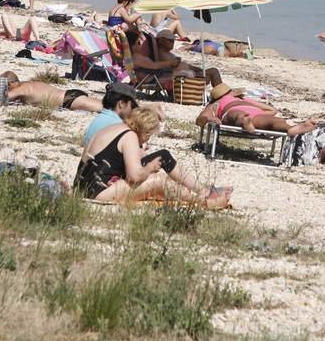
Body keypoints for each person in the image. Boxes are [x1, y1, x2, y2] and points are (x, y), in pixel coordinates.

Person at [75, 106, 231, 208]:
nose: (148, 140)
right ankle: (202, 202)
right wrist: (149, 168)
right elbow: (134, 176)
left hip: (83, 187)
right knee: (159, 181)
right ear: (145, 131)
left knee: (162, 156)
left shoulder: (114, 128)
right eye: (149, 135)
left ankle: (201, 189)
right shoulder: (129, 136)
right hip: (99, 192)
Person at [196, 83, 316, 136]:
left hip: (249, 114)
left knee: (274, 121)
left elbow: (272, 111)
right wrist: (211, 118)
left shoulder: (243, 100)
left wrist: (247, 100)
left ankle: (291, 129)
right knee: (238, 114)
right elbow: (201, 119)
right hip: (234, 111)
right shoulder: (216, 103)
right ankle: (244, 121)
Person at [131, 29, 223, 88]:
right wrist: (172, 62)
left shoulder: (156, 54)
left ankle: (221, 94)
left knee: (208, 75)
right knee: (213, 72)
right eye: (170, 41)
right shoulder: (154, 55)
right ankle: (222, 96)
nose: (173, 43)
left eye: (173, 41)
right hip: (170, 77)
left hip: (173, 75)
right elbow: (155, 66)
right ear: (162, 40)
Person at [0, 71, 103, 112]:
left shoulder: (22, 88)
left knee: (107, 109)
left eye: (5, 87)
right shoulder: (27, 84)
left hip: (68, 100)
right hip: (69, 96)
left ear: (10, 84)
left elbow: (1, 97)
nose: (5, 89)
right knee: (107, 107)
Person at [83, 82, 140, 146]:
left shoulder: (98, 120)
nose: (132, 110)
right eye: (132, 106)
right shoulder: (118, 126)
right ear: (122, 104)